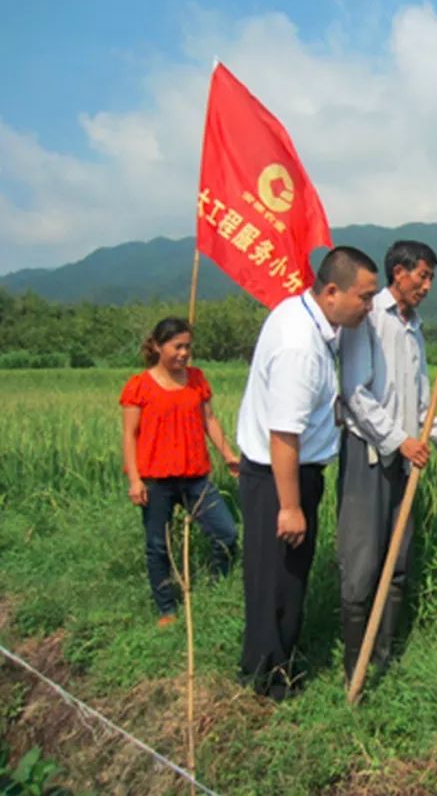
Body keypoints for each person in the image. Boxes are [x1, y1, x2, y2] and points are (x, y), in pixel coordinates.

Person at [235, 246, 379, 701]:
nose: (370, 307)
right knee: (276, 583)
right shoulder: (301, 346)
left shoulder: (306, 319)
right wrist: (291, 506)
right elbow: (284, 434)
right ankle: (266, 684)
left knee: (284, 579)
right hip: (280, 479)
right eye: (365, 297)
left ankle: (275, 668)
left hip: (286, 474)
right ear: (332, 291)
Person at [337, 240, 437, 679]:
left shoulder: (413, 327)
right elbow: (356, 393)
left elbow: (422, 402)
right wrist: (399, 440)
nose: (427, 286)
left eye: (431, 278)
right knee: (361, 562)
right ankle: (354, 666)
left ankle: (384, 659)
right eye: (422, 276)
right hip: (369, 454)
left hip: (405, 458)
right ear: (399, 272)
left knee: (398, 562)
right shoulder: (368, 318)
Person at [120, 317, 240, 627]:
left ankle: (217, 590)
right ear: (158, 347)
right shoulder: (139, 386)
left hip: (195, 476)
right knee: (158, 545)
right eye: (177, 347)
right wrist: (135, 480)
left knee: (226, 533)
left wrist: (227, 454)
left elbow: (209, 420)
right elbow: (129, 436)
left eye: (188, 346)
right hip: (156, 479)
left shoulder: (197, 379)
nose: (184, 353)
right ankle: (166, 609)